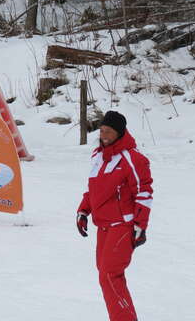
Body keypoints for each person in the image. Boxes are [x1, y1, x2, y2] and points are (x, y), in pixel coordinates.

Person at [76, 111, 153, 321]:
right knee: (105, 274)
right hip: (103, 226)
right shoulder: (98, 156)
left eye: (109, 131)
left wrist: (140, 225)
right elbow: (93, 189)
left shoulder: (133, 158)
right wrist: (84, 210)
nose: (104, 135)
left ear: (119, 133)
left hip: (123, 225)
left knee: (110, 274)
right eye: (101, 131)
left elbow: (144, 191)